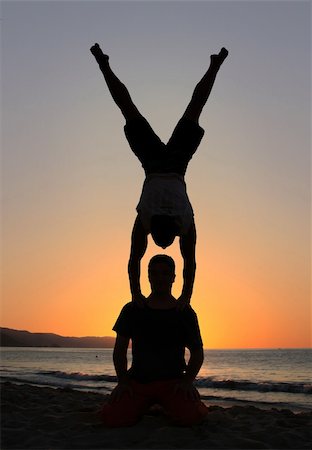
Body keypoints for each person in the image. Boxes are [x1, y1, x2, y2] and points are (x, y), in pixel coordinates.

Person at [90, 44, 228, 308]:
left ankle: (215, 65)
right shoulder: (146, 219)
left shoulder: (184, 223)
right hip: (154, 162)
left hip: (176, 163)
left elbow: (189, 265)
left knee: (193, 107)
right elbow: (135, 261)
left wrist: (184, 297)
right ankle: (103, 64)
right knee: (128, 108)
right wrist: (139, 295)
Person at [101, 254, 208, 427]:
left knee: (192, 417)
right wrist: (122, 381)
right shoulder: (133, 309)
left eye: (165, 273)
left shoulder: (184, 312)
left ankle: (165, 406)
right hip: (138, 382)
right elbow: (119, 350)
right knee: (112, 418)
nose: (160, 278)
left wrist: (188, 381)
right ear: (148, 276)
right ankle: (146, 406)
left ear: (173, 277)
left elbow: (197, 353)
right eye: (155, 273)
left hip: (173, 383)